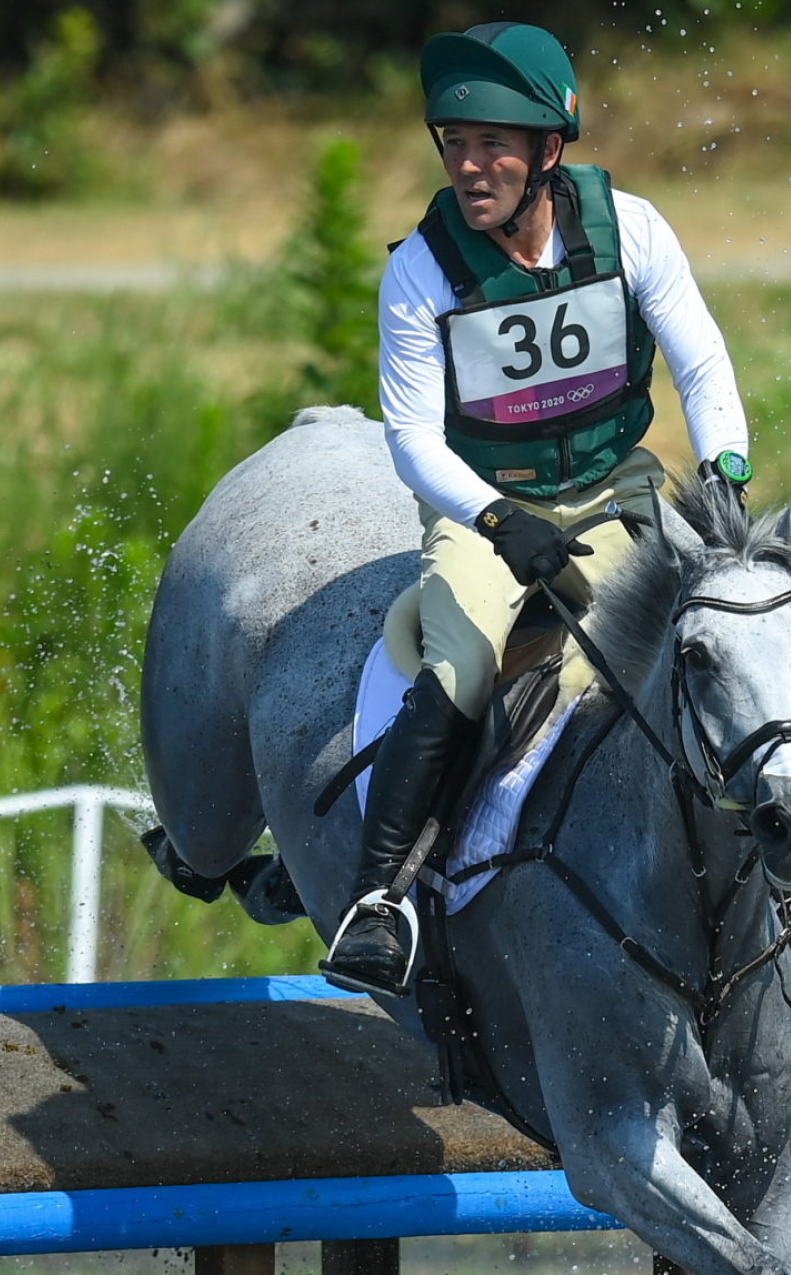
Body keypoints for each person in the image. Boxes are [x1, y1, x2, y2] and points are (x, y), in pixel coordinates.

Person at [322, 21, 756, 996]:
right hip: (487, 502)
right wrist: (495, 522)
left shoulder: (631, 228)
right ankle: (378, 898)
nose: (469, 166)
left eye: (491, 146)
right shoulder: (421, 269)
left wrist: (725, 457)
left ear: (548, 151)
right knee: (464, 659)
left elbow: (700, 358)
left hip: (617, 486)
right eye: (453, 145)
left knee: (721, 641)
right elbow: (410, 440)